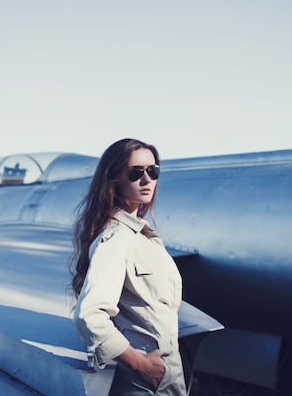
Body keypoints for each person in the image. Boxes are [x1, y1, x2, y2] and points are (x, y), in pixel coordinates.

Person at [70, 138, 186, 396]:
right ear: (114, 179)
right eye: (136, 172)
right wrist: (141, 365)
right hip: (142, 380)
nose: (147, 180)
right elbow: (89, 316)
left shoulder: (141, 235)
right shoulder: (117, 237)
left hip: (163, 373)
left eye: (153, 171)